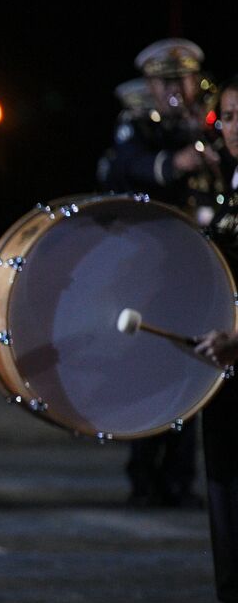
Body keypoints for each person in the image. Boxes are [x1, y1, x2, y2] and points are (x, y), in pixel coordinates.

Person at [108, 39, 218, 508]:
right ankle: (143, 474)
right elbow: (122, 169)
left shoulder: (215, 124)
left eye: (183, 79)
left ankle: (179, 476)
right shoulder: (138, 126)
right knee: (147, 366)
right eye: (166, 81)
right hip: (151, 265)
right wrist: (178, 162)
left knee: (194, 361)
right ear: (150, 86)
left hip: (200, 262)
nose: (176, 89)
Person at [179, 76, 238, 603]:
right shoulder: (230, 187)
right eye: (230, 116)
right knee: (224, 492)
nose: (237, 128)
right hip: (226, 372)